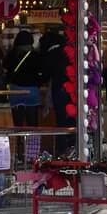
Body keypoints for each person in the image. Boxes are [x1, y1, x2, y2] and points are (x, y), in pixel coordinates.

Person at [40, 28, 74, 156]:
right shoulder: (68, 51)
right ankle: (72, 146)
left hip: (59, 89)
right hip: (71, 89)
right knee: (71, 118)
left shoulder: (51, 54)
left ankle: (62, 148)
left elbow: (46, 74)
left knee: (61, 120)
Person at [5, 30, 43, 128]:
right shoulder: (36, 55)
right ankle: (33, 142)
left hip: (15, 90)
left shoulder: (11, 55)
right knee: (32, 124)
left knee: (17, 125)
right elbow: (41, 71)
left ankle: (19, 142)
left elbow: (5, 67)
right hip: (31, 90)